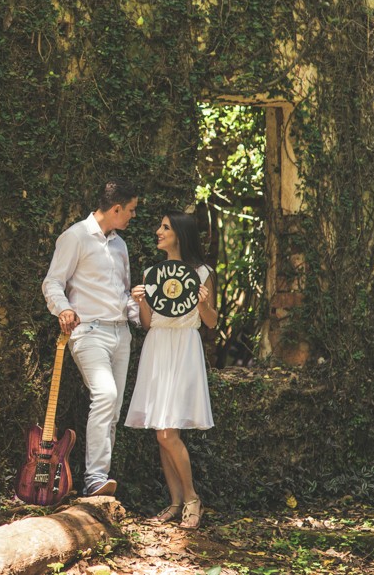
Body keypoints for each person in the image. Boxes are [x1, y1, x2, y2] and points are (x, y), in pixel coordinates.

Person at [42, 179, 140, 498]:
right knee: (106, 395)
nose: (133, 216)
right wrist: (64, 308)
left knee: (113, 410)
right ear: (116, 209)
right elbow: (52, 282)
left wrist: (142, 312)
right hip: (89, 332)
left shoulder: (120, 245)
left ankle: (100, 478)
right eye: (131, 210)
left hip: (121, 333)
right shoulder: (76, 236)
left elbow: (123, 293)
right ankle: (94, 479)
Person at [125, 210, 218, 530]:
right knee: (161, 431)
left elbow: (211, 322)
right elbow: (148, 323)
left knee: (167, 432)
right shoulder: (152, 273)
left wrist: (203, 304)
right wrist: (141, 301)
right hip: (158, 346)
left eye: (164, 227)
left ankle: (192, 498)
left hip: (184, 347)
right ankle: (176, 502)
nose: (158, 231)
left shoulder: (202, 272)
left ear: (180, 233)